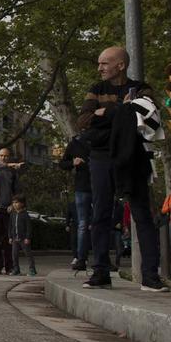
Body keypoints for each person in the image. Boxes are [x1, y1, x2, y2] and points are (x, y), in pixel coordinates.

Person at [85, 45, 166, 291]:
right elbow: (84, 121)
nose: (99, 68)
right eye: (99, 63)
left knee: (142, 213)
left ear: (120, 65)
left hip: (133, 156)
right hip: (100, 157)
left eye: (105, 63)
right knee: (100, 214)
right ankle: (100, 271)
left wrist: (105, 114)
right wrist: (122, 110)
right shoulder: (95, 90)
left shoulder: (142, 88)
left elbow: (149, 113)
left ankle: (150, 276)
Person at [63, 105, 95, 270]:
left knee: (98, 222)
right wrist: (72, 162)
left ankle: (98, 258)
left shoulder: (101, 139)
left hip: (99, 184)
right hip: (83, 186)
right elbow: (63, 163)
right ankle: (81, 258)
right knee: (83, 223)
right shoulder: (75, 143)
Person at [0, 143, 24, 274]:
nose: (4, 158)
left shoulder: (13, 173)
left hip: (7, 209)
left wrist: (13, 205)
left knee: (8, 239)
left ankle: (9, 266)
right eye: (1, 156)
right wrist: (7, 165)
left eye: (6, 156)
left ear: (10, 157)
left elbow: (18, 191)